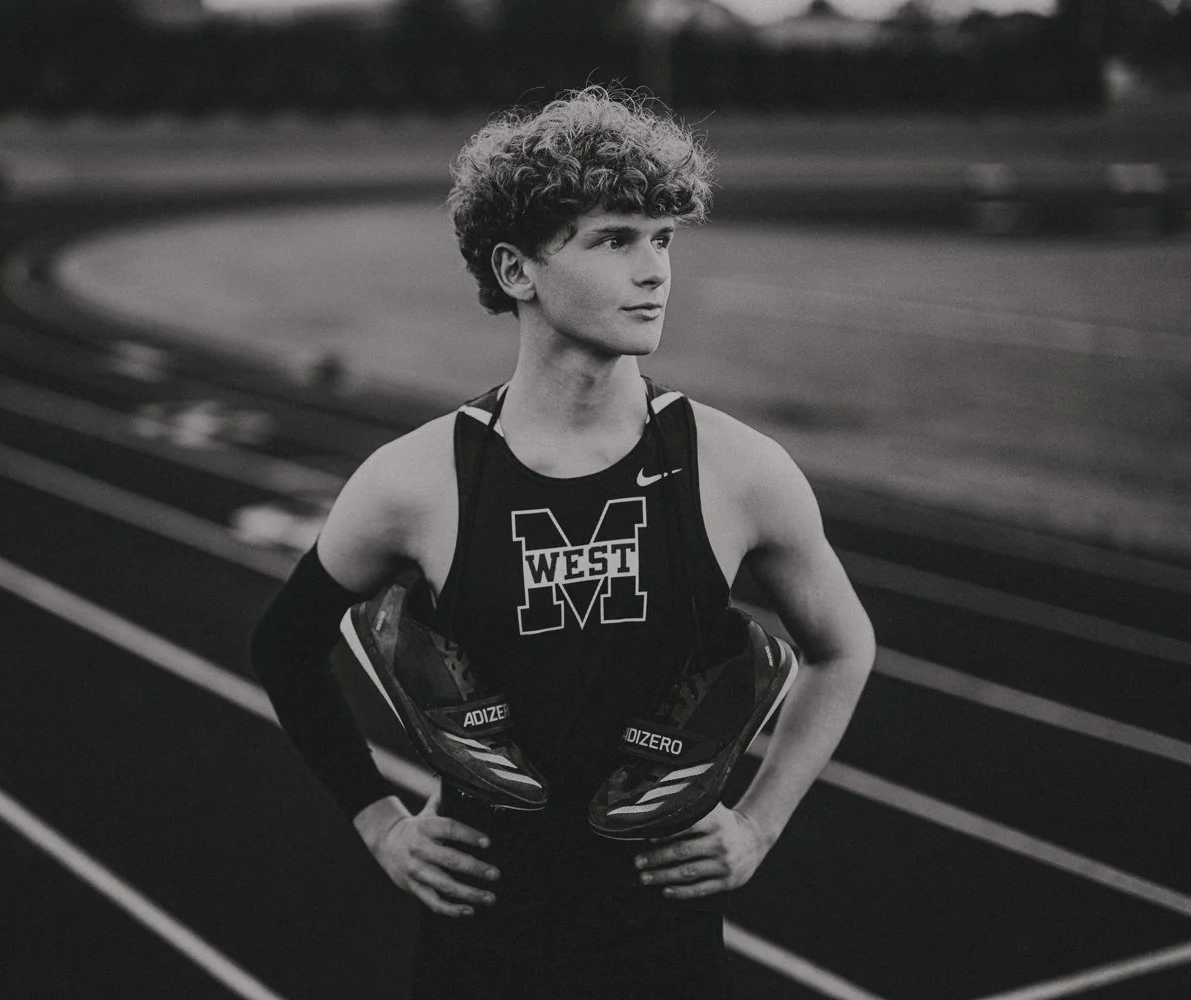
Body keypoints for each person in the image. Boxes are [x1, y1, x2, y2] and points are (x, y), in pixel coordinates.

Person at [250, 86, 877, 999]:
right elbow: (284, 645)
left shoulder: (740, 470)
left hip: (663, 948)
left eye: (663, 238)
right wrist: (380, 823)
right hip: (484, 945)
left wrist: (759, 824)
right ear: (516, 270)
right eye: (614, 239)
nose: (655, 270)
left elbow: (841, 645)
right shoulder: (415, 480)